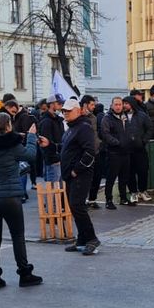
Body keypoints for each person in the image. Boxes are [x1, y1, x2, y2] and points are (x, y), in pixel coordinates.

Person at [0, 111, 45, 289]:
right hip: (10, 197)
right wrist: (31, 137)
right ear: (7, 127)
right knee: (17, 236)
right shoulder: (12, 147)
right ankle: (24, 273)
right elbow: (30, 155)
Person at [60, 97, 100, 255]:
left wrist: (77, 170)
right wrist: (50, 145)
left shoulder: (83, 127)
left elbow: (90, 151)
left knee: (78, 206)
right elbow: (66, 148)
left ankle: (92, 238)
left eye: (68, 111)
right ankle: (82, 238)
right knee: (75, 207)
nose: (65, 113)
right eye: (63, 111)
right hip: (71, 175)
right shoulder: (71, 128)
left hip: (80, 175)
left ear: (77, 111)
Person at [100, 97, 131, 210]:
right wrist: (117, 143)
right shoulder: (107, 118)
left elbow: (128, 131)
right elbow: (105, 134)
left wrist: (129, 141)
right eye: (116, 104)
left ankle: (123, 198)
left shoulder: (124, 117)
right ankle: (108, 200)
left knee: (124, 177)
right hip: (113, 152)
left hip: (125, 152)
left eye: (120, 104)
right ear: (112, 105)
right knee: (111, 177)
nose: (118, 106)